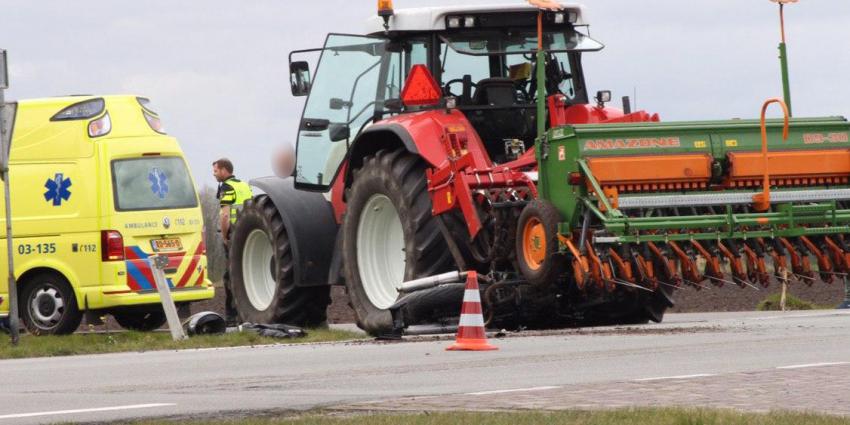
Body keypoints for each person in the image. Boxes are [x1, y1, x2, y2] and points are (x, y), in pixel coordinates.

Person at [212, 158, 253, 325]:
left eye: (215, 171)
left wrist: (224, 235)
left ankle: (231, 316)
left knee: (229, 277)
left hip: (234, 235)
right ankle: (248, 313)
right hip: (248, 234)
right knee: (246, 274)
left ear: (223, 170)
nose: (214, 175)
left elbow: (225, 214)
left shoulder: (227, 187)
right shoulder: (244, 185)